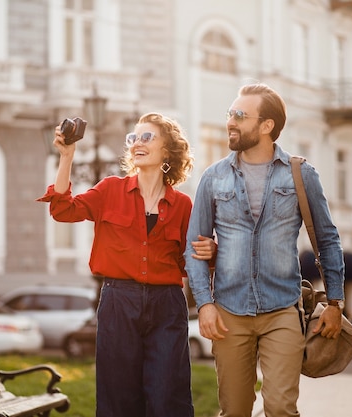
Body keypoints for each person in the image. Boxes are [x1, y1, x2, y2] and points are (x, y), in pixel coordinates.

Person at [38, 112, 215, 417]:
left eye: (147, 137)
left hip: (167, 306)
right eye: (133, 138)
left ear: (168, 150)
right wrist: (67, 156)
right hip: (119, 302)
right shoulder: (109, 190)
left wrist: (210, 250)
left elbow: (194, 260)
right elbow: (63, 210)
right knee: (118, 397)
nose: (136, 144)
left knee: (167, 396)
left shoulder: (184, 205)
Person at [184, 83, 345, 417]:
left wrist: (335, 302)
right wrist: (205, 305)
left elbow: (328, 240)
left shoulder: (301, 175)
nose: (231, 121)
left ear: (267, 125)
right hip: (228, 312)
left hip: (282, 310)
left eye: (240, 115)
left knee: (282, 408)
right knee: (235, 410)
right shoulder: (214, 178)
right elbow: (194, 246)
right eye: (230, 114)